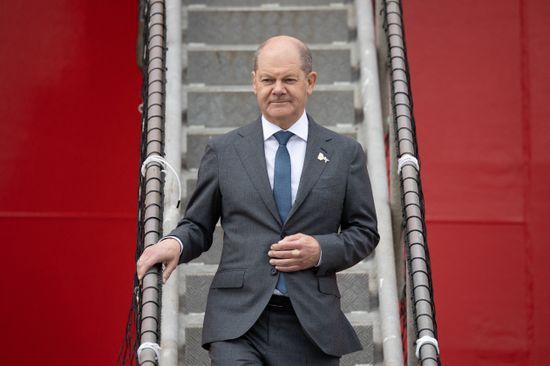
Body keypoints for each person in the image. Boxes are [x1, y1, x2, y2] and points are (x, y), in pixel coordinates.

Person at [137, 35, 379, 365]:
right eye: (268, 79)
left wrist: (321, 250)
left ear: (310, 82)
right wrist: (174, 244)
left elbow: (364, 232)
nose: (277, 88)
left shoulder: (344, 154)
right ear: (254, 83)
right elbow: (197, 224)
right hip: (236, 323)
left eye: (288, 79)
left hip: (311, 327)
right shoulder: (223, 151)